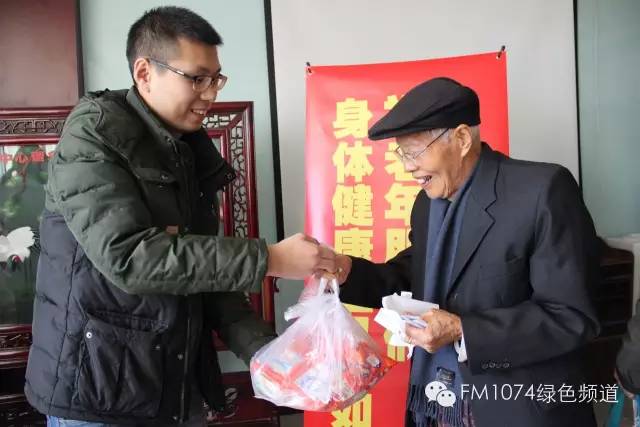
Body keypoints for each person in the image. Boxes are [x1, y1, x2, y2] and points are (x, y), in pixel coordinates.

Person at [25, 6, 336, 426]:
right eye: (197, 78)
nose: (210, 94)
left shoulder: (186, 149)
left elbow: (207, 275)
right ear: (144, 73)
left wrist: (269, 354)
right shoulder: (94, 135)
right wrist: (270, 258)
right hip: (99, 391)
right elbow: (130, 257)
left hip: (174, 384)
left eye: (216, 79)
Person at [333, 77, 600, 427]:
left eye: (415, 152)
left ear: (460, 139)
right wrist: (343, 270)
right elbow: (416, 276)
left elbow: (571, 317)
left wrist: (464, 330)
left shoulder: (541, 191)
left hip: (516, 410)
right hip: (437, 408)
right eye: (402, 154)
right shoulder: (428, 205)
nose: (408, 166)